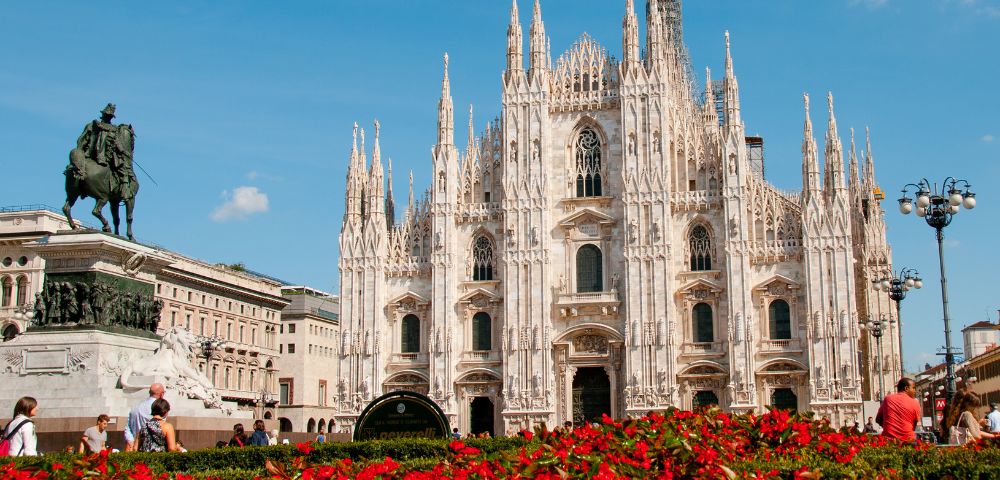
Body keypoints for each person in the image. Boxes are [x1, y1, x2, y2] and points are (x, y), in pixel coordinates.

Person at [875, 377, 921, 442]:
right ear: (906, 388)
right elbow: (914, 424)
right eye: (913, 388)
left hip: (889, 441)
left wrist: (890, 428)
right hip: (908, 440)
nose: (914, 391)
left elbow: (878, 419)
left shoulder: (888, 399)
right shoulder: (915, 403)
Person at [125, 383, 165, 451]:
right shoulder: (160, 408)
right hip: (152, 449)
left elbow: (128, 427)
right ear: (162, 394)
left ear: (149, 392)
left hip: (134, 447)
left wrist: (131, 442)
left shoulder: (135, 407)